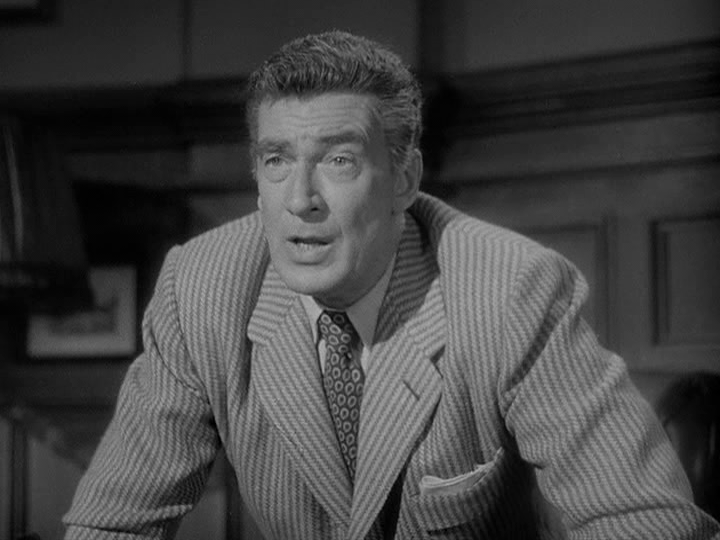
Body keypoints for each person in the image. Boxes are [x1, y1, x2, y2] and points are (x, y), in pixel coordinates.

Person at [64, 31, 720, 539]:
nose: (300, 199)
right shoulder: (200, 290)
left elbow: (645, 521)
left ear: (404, 179)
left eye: (339, 160)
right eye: (276, 160)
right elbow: (112, 525)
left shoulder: (511, 290)